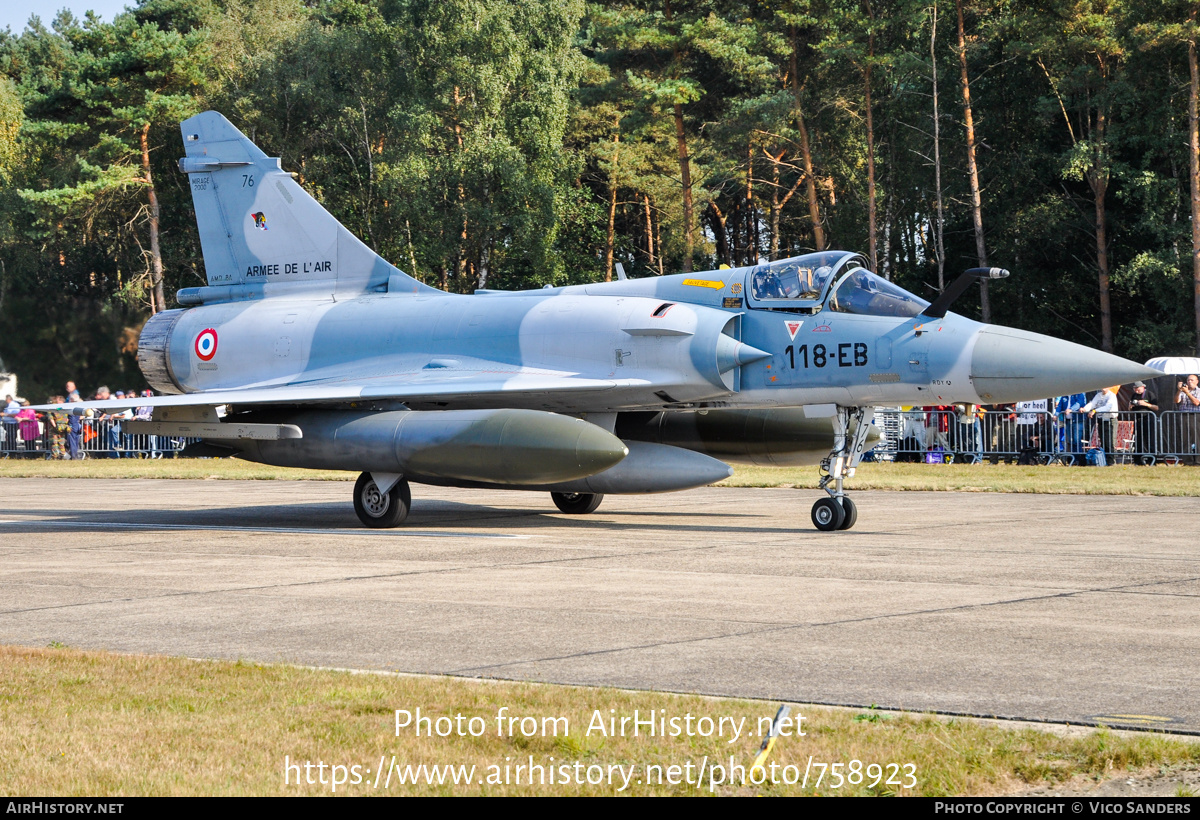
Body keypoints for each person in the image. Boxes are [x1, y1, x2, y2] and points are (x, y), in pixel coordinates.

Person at [1080, 386, 1119, 465]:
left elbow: (1108, 407)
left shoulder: (1111, 395)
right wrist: (1085, 408)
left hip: (1110, 420)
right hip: (1101, 420)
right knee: (1103, 441)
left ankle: (1111, 461)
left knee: (1110, 442)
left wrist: (1095, 410)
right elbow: (1092, 403)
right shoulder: (1098, 395)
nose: (1104, 388)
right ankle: (1104, 461)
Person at [1127, 381, 1159, 459]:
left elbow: (1156, 407)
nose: (1136, 390)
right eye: (1134, 388)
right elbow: (1130, 409)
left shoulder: (1149, 394)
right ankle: (1138, 459)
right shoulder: (1134, 395)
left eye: (1137, 388)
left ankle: (1152, 459)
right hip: (1137, 419)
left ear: (1142, 387)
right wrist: (1130, 406)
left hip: (1148, 418)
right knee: (1138, 439)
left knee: (1149, 439)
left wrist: (1145, 404)